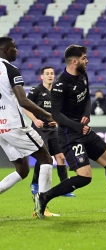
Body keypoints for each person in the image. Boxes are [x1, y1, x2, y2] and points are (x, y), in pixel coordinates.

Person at [34, 45, 106, 218]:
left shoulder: (82, 75)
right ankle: (44, 197)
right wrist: (77, 125)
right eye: (84, 58)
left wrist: (86, 115)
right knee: (85, 177)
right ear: (74, 61)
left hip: (84, 130)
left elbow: (87, 97)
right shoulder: (60, 84)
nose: (86, 60)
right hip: (69, 136)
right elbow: (56, 114)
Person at [0, 36, 55, 214]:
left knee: (22, 169)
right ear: (6, 50)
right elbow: (23, 101)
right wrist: (48, 114)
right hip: (15, 125)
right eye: (14, 47)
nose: (17, 51)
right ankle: (42, 208)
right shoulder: (10, 69)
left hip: (1, 129)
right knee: (46, 159)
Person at [23, 66, 75, 199]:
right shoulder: (36, 90)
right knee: (44, 156)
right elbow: (25, 107)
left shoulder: (57, 92)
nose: (50, 76)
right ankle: (35, 183)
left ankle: (64, 188)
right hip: (40, 128)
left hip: (53, 129)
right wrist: (35, 120)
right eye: (47, 73)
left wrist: (57, 121)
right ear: (42, 76)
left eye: (52, 73)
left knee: (61, 157)